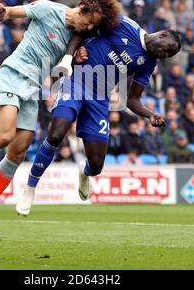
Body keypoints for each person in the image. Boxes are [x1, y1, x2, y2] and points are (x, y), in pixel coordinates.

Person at [0, 0, 122, 239]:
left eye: (94, 25)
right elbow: (8, 13)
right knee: (5, 135)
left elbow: (60, 69)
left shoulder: (76, 39)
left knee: (18, 151)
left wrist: (76, 59)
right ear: (81, 7)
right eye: (90, 21)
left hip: (32, 90)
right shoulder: (46, 8)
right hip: (12, 76)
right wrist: (0, 13)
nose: (90, 27)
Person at [17, 15, 181, 218]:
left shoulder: (148, 63)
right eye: (167, 49)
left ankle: (84, 173)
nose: (164, 54)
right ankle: (30, 187)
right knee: (57, 133)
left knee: (96, 165)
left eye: (168, 55)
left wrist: (150, 114)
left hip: (100, 99)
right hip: (76, 82)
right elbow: (83, 29)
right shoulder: (123, 24)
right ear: (163, 34)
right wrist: (70, 57)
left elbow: (132, 100)